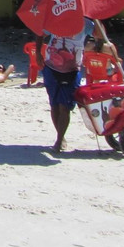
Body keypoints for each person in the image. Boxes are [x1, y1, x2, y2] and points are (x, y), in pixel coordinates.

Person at [36, 18, 93, 152]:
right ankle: (60, 137)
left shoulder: (86, 23)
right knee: (54, 105)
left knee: (65, 106)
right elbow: (40, 33)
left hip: (72, 68)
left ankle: (60, 139)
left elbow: (100, 35)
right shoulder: (55, 16)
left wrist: (96, 16)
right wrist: (38, 52)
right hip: (51, 66)